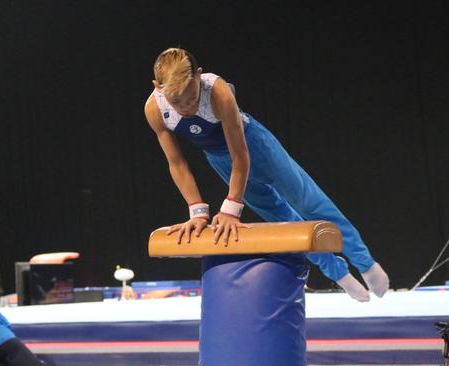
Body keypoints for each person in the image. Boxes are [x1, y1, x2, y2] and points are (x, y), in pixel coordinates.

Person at [144, 48, 389, 302]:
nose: (186, 108)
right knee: (280, 217)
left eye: (192, 97)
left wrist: (230, 210)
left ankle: (365, 263)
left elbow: (240, 154)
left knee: (308, 202)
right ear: (157, 87)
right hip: (220, 160)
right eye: (177, 102)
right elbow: (178, 164)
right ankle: (339, 275)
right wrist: (197, 211)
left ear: (199, 75)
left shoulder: (217, 92)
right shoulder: (154, 109)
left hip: (255, 146)